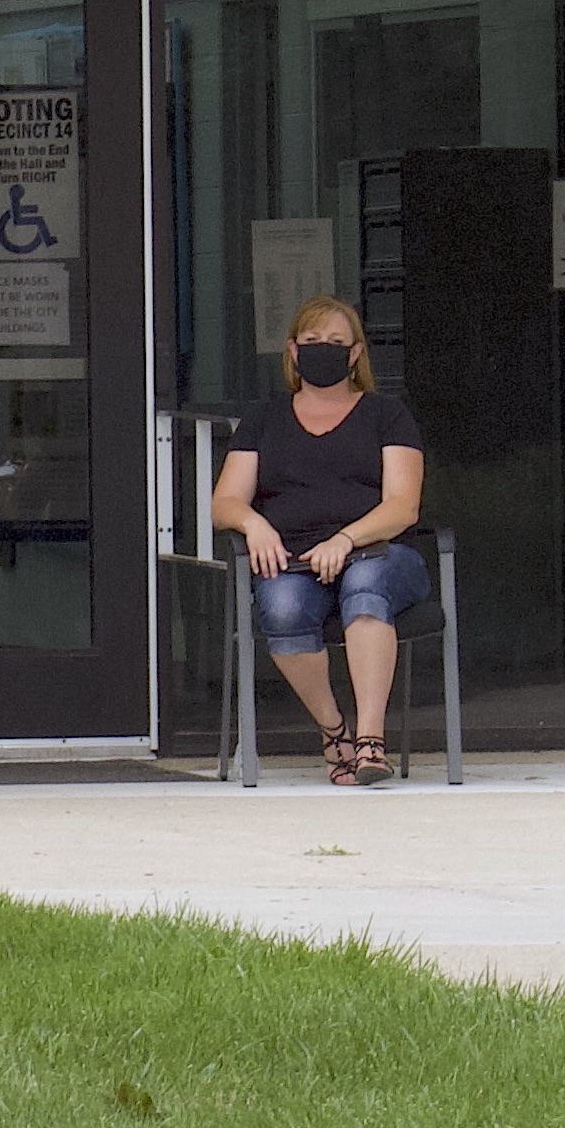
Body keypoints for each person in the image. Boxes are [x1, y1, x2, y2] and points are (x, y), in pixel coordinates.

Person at [208, 297, 430, 786]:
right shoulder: (265, 418)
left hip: (378, 553)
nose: (322, 351)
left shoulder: (387, 415)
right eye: (311, 343)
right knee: (283, 609)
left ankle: (371, 741)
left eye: (335, 343)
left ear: (355, 355)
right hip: (292, 562)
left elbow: (402, 506)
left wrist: (345, 540)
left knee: (366, 587)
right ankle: (336, 734)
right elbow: (224, 501)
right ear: (292, 351)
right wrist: (255, 524)